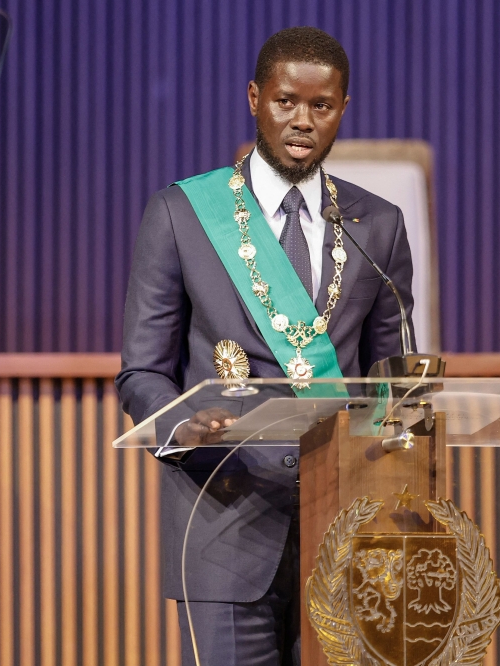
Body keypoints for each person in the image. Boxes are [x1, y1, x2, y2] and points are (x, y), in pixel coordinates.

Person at [115, 26, 414, 666]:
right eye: (285, 102)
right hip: (222, 519)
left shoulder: (378, 227)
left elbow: (391, 379)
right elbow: (141, 371)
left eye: (321, 106)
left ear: (343, 109)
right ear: (255, 98)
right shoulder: (182, 214)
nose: (302, 121)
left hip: (346, 529)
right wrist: (180, 424)